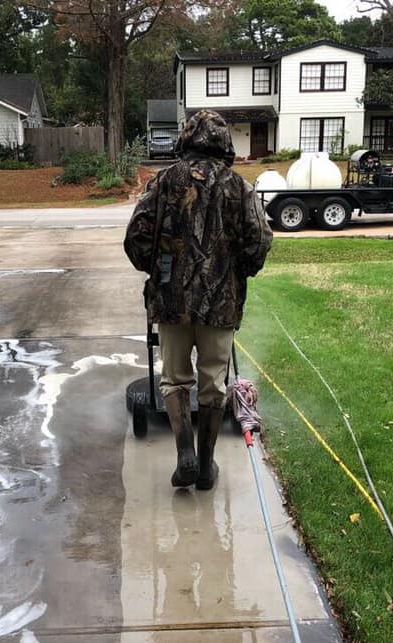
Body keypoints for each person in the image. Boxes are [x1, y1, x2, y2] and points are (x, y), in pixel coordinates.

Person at [124, 110, 273, 491]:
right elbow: (259, 240)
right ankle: (206, 466)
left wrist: (157, 270)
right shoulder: (239, 187)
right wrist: (239, 273)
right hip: (221, 303)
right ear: (225, 143)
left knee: (173, 380)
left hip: (170, 301)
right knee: (213, 383)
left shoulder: (162, 182)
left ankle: (184, 456)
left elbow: (136, 237)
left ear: (185, 140)